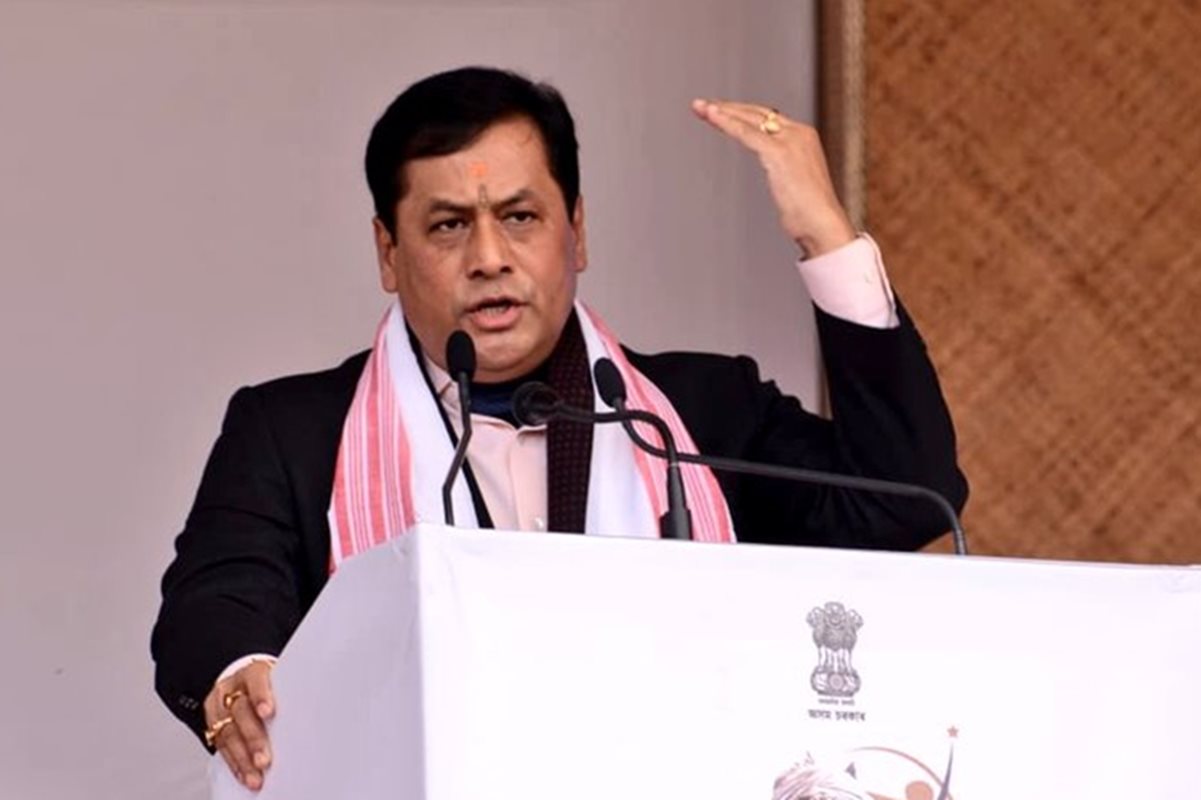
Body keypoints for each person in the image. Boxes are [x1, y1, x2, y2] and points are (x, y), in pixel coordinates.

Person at [151, 66, 967, 792]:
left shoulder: (697, 414)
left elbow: (903, 497)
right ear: (387, 253)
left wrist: (825, 235)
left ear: (576, 232)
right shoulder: (291, 430)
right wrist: (238, 674)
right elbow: (215, 604)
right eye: (447, 226)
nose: (488, 257)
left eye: (519, 216)